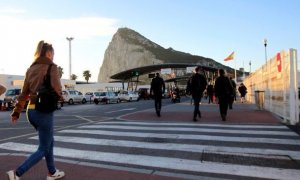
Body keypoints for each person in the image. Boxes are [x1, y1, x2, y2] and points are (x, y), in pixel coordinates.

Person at [7, 41, 65, 180]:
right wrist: (60, 97)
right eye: (53, 53)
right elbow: (57, 89)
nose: (54, 56)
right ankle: (17, 173)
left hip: (30, 111)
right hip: (43, 112)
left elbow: (23, 94)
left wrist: (16, 112)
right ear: (49, 53)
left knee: (49, 141)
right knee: (43, 148)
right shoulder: (52, 67)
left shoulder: (30, 69)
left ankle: (52, 172)